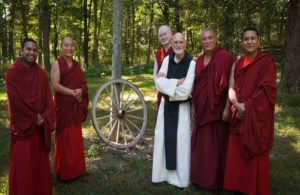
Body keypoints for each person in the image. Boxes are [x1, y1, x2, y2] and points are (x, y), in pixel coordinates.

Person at [223, 26, 276, 195]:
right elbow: (231, 88)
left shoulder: (266, 62)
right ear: (242, 42)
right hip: (237, 111)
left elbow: (266, 89)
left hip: (255, 114)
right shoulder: (237, 63)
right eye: (246, 39)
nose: (249, 41)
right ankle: (238, 186)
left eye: (253, 38)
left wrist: (247, 106)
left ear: (258, 40)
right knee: (236, 151)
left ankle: (254, 187)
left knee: (253, 150)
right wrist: (236, 104)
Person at [5, 38, 55, 195]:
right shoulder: (12, 73)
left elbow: (49, 99)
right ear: (21, 51)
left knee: (40, 169)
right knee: (24, 169)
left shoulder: (40, 73)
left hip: (39, 130)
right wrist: (35, 118)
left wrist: (45, 117)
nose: (32, 52)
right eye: (28, 49)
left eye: (34, 50)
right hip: (23, 129)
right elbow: (16, 103)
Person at [191, 28, 233, 191]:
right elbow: (195, 87)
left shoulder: (224, 57)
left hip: (218, 111)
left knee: (218, 146)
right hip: (202, 110)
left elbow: (231, 84)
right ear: (200, 42)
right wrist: (194, 105)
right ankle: (200, 177)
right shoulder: (198, 61)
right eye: (204, 39)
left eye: (210, 38)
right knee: (202, 145)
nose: (207, 41)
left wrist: (228, 108)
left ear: (216, 39)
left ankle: (217, 180)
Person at [152, 33, 195, 188]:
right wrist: (177, 82)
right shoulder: (166, 60)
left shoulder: (191, 63)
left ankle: (180, 180)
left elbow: (186, 90)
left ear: (185, 43)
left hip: (181, 109)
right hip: (166, 108)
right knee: (162, 139)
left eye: (180, 42)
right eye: (175, 42)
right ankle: (161, 175)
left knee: (181, 144)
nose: (177, 45)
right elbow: (158, 83)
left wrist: (168, 87)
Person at [51, 36, 89, 181]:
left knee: (75, 139)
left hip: (75, 107)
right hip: (63, 107)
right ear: (61, 47)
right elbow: (56, 85)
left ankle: (77, 170)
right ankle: (65, 172)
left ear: (74, 48)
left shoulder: (77, 65)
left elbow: (84, 84)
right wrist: (73, 93)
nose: (69, 48)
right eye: (66, 45)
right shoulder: (57, 63)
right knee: (64, 139)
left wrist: (81, 90)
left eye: (71, 45)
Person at [153, 25, 173, 108]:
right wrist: (160, 86)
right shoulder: (158, 54)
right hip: (161, 92)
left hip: (175, 92)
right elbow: (155, 75)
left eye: (165, 34)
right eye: (160, 35)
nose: (163, 37)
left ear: (171, 34)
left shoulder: (178, 50)